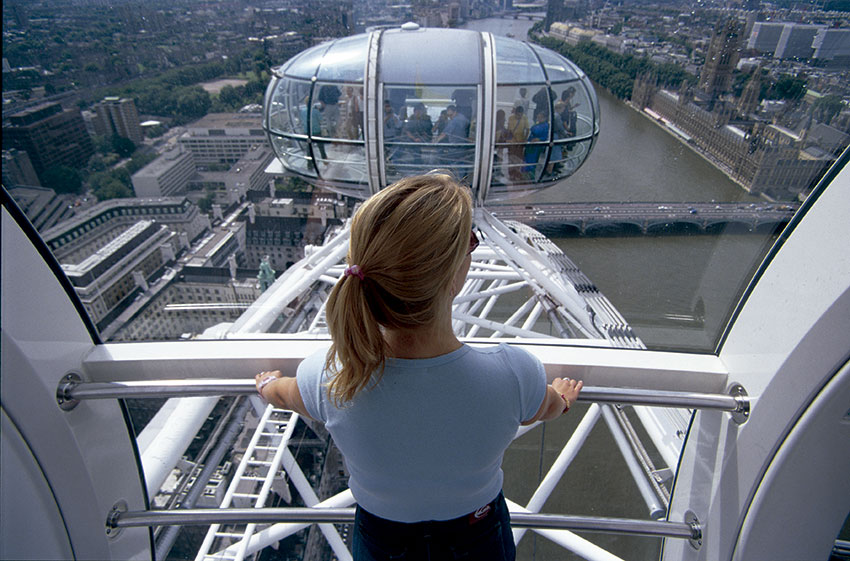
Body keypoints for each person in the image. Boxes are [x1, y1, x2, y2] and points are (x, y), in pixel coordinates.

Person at [254, 173, 583, 561]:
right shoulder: (513, 373)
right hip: (477, 532)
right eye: (469, 244)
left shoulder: (330, 377)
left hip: (382, 536)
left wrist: (266, 386)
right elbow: (540, 409)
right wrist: (560, 400)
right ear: (455, 274)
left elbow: (286, 395)